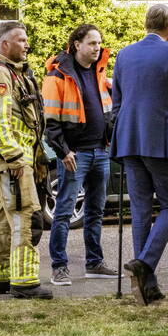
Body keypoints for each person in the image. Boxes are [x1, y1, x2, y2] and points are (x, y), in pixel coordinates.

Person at [110, 4, 168, 305]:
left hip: (128, 140)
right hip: (161, 140)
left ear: (147, 24)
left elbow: (117, 103)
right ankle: (144, 263)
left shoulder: (123, 54)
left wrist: (119, 136)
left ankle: (146, 288)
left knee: (140, 212)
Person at [0, 20, 52, 299]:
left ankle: (0, 277)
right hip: (12, 162)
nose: (26, 45)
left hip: (10, 161)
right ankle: (25, 282)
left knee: (2, 219)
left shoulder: (13, 72)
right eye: (21, 40)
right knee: (27, 216)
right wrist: (16, 158)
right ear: (4, 44)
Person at [42, 24, 118, 286]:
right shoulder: (58, 75)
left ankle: (94, 263)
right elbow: (50, 121)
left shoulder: (99, 71)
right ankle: (59, 267)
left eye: (99, 43)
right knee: (64, 211)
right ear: (77, 44)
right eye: (92, 43)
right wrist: (63, 152)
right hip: (75, 155)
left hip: (100, 151)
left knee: (96, 211)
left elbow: (107, 108)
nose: (97, 48)